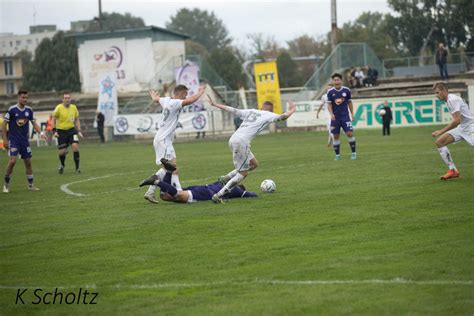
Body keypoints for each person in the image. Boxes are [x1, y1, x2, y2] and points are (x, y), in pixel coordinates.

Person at [207, 96, 296, 204]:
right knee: (243, 173)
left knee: (253, 164)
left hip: (233, 139)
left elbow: (234, 110)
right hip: (242, 142)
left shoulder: (252, 111)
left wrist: (215, 104)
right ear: (271, 110)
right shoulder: (269, 115)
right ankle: (219, 195)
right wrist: (292, 110)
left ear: (261, 107)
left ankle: (225, 178)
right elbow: (283, 117)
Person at [143, 84, 205, 203]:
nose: (185, 97)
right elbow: (190, 101)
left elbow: (157, 99)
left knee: (169, 168)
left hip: (163, 139)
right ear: (180, 93)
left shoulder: (166, 101)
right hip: (164, 140)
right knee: (171, 168)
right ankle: (173, 190)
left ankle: (153, 191)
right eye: (184, 94)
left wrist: (154, 96)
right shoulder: (174, 103)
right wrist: (200, 92)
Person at [139, 164, 258, 203]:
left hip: (202, 187)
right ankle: (156, 181)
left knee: (165, 196)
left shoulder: (220, 183)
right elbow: (251, 195)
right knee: (178, 195)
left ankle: (169, 171)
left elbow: (229, 176)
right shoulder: (236, 189)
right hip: (205, 194)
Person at [2, 90, 46, 193]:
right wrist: (4, 138)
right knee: (12, 161)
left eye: (26, 98)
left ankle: (31, 185)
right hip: (14, 140)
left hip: (24, 141)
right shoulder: (12, 110)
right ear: (18, 97)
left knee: (28, 162)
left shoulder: (29, 110)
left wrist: (41, 133)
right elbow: (4, 124)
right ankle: (6, 185)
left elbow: (34, 123)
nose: (25, 99)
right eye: (23, 97)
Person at [432, 82, 474, 180]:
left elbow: (456, 120)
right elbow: (458, 121)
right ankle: (453, 170)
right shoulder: (448, 100)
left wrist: (440, 131)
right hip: (463, 127)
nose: (436, 95)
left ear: (444, 91)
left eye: (437, 92)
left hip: (471, 126)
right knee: (440, 142)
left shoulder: (453, 99)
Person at [327, 73, 357, 160]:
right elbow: (329, 105)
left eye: (338, 80)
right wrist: (331, 114)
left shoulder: (346, 90)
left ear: (341, 80)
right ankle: (337, 155)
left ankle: (354, 153)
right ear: (333, 81)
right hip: (335, 118)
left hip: (345, 116)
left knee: (349, 133)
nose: (336, 81)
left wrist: (352, 114)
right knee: (335, 136)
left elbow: (350, 102)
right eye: (334, 80)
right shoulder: (330, 92)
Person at [52, 93, 83, 174]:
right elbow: (53, 119)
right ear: (63, 100)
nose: (67, 99)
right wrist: (54, 131)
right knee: (62, 152)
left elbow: (77, 119)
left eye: (69, 98)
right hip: (61, 131)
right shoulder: (59, 108)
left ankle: (77, 169)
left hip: (72, 130)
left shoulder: (74, 107)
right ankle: (62, 165)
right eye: (65, 98)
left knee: (75, 147)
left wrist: (79, 130)